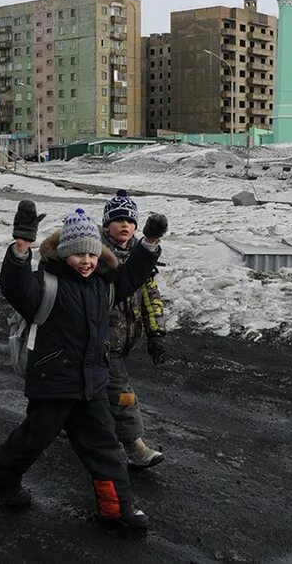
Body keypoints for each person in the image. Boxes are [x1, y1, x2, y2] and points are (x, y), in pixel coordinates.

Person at [0, 201, 169, 531]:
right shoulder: (45, 285)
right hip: (54, 382)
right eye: (79, 254)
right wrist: (22, 246)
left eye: (92, 254)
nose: (86, 261)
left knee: (105, 445)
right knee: (34, 439)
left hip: (92, 382)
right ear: (64, 253)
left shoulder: (104, 284)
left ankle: (117, 509)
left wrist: (149, 243)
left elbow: (133, 275)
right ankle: (0, 479)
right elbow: (14, 287)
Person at [101, 190, 168, 470]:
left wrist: (157, 334)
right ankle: (135, 447)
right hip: (102, 342)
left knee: (92, 390)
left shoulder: (142, 261)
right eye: (117, 220)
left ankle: (71, 422)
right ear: (106, 225)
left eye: (129, 220)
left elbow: (151, 298)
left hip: (122, 341)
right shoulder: (96, 257)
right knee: (122, 392)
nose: (124, 225)